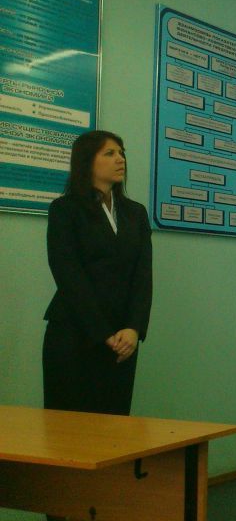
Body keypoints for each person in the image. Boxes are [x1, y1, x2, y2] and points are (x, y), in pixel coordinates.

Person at [44, 130, 152, 416]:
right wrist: (103, 332)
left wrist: (134, 328)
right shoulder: (65, 209)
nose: (120, 159)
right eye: (110, 153)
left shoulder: (135, 213)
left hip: (123, 340)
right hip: (75, 333)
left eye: (122, 153)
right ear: (87, 162)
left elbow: (143, 277)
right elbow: (67, 274)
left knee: (114, 425)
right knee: (69, 427)